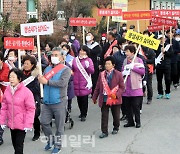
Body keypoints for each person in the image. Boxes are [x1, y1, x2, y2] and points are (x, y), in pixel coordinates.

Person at [38, 47, 71, 154]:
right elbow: (42, 80)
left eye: (56, 55)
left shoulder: (66, 69)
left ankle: (58, 145)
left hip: (59, 101)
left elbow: (62, 83)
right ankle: (51, 140)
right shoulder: (47, 69)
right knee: (44, 122)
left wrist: (46, 82)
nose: (53, 57)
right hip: (47, 101)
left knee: (59, 126)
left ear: (62, 58)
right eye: (52, 55)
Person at [0, 68, 35, 154]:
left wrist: (28, 124)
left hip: (22, 124)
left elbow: (31, 109)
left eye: (13, 77)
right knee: (15, 145)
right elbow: (4, 107)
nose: (11, 79)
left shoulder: (26, 92)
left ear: (19, 79)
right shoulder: (7, 90)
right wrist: (2, 121)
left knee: (19, 147)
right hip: (12, 124)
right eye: (10, 77)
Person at [92, 56, 125, 138]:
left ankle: (116, 127)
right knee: (104, 115)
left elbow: (122, 87)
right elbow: (98, 86)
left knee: (116, 115)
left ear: (113, 65)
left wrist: (117, 94)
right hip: (104, 97)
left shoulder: (118, 74)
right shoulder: (102, 74)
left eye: (109, 64)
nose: (107, 65)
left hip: (114, 98)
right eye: (106, 64)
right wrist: (94, 97)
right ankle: (104, 131)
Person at [122, 45, 145, 128]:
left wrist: (133, 68)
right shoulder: (125, 61)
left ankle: (138, 121)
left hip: (135, 87)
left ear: (132, 52)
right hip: (126, 87)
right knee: (127, 106)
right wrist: (123, 72)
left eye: (127, 51)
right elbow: (122, 71)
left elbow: (142, 71)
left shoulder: (139, 60)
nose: (126, 53)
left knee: (135, 105)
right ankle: (130, 121)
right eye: (125, 51)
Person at [72, 45, 94, 122]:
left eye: (84, 51)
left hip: (85, 81)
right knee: (79, 99)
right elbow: (72, 69)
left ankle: (84, 114)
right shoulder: (75, 60)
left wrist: (88, 67)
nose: (82, 52)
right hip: (76, 81)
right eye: (81, 50)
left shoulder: (89, 60)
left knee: (84, 99)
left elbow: (92, 71)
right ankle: (81, 112)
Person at [22, 55, 41, 141]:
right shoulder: (20, 73)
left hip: (33, 98)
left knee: (34, 116)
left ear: (32, 65)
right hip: (22, 99)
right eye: (24, 63)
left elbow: (37, 89)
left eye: (27, 63)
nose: (25, 65)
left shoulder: (35, 75)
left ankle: (37, 132)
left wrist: (25, 91)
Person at [155, 35, 173, 99]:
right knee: (159, 80)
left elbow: (171, 54)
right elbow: (154, 54)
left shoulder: (168, 46)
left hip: (166, 65)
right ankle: (160, 93)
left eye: (162, 38)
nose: (161, 40)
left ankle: (167, 92)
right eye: (160, 38)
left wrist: (165, 52)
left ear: (165, 39)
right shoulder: (156, 46)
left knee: (167, 79)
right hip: (159, 65)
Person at [0, 51, 10, 145]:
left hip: (3, 95)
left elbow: (2, 77)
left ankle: (0, 136)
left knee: (1, 115)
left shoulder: (6, 67)